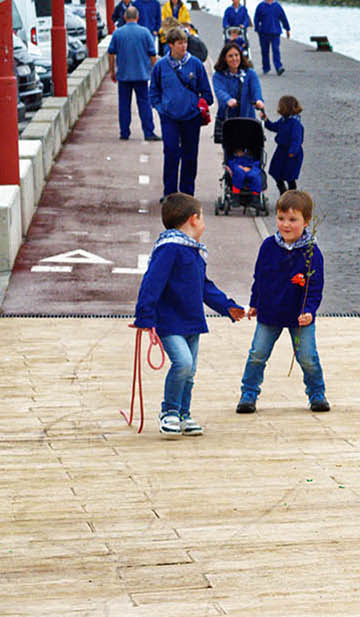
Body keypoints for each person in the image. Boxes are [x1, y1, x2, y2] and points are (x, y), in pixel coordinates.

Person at [133, 192, 246, 437]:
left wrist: (228, 307)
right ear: (193, 219)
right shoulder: (170, 249)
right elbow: (152, 282)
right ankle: (170, 412)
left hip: (192, 322)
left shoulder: (193, 251)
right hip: (170, 321)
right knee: (182, 363)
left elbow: (205, 286)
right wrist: (144, 316)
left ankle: (184, 414)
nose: (204, 222)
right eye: (203, 217)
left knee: (190, 370)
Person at [237, 188, 327, 414]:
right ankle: (248, 393)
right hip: (270, 312)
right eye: (281, 219)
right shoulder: (268, 246)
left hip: (300, 316)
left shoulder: (312, 253)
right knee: (257, 354)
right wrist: (254, 302)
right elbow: (259, 276)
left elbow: (315, 288)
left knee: (307, 357)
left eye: (292, 220)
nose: (286, 224)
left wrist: (309, 310)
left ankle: (317, 394)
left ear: (306, 222)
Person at [149, 27, 213, 200]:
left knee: (190, 155)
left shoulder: (196, 65)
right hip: (169, 117)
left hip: (191, 118)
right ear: (171, 45)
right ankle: (169, 192)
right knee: (170, 152)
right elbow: (153, 91)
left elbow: (207, 94)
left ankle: (187, 194)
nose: (183, 46)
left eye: (185, 42)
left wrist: (197, 106)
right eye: (179, 43)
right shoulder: (161, 66)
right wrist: (161, 109)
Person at [106, 5, 160, 141]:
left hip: (124, 75)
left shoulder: (118, 33)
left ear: (124, 17)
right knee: (144, 104)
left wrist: (112, 71)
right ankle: (148, 132)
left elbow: (111, 53)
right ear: (138, 17)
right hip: (141, 75)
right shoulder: (145, 32)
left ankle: (124, 132)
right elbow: (152, 54)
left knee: (124, 105)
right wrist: (155, 73)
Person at [212, 42, 265, 127]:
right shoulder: (219, 75)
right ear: (224, 58)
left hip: (247, 117)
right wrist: (228, 99)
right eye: (230, 56)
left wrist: (258, 100)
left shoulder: (250, 73)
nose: (234, 58)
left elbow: (256, 89)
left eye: (237, 55)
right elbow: (219, 91)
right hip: (228, 119)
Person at [265, 95, 304, 194]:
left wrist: (292, 151)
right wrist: (266, 121)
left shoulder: (295, 123)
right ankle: (283, 191)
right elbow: (274, 127)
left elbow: (296, 139)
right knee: (276, 173)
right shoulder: (283, 120)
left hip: (291, 154)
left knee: (289, 176)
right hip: (281, 151)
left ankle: (291, 195)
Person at [253, 0, 290, 75]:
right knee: (264, 51)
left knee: (276, 49)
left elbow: (283, 17)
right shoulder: (260, 6)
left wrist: (287, 29)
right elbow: (256, 18)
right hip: (264, 32)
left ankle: (278, 67)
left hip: (275, 32)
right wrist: (257, 29)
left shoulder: (277, 6)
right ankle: (266, 67)